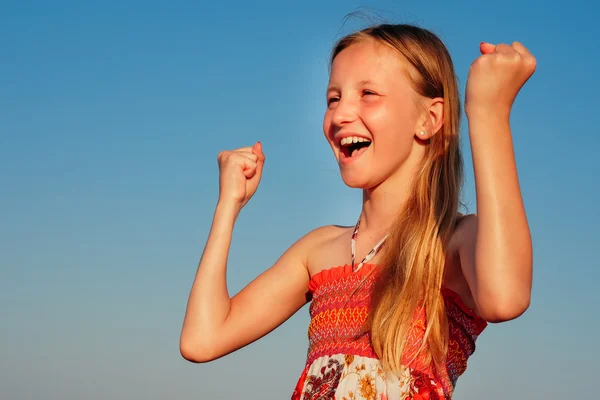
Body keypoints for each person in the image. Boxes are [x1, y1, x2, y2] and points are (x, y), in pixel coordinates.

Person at [179, 23, 535, 399]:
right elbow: (202, 340)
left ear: (429, 119)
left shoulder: (452, 243)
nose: (341, 114)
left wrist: (488, 111)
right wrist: (227, 206)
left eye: (368, 94)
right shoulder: (317, 251)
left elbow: (505, 298)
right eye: (333, 98)